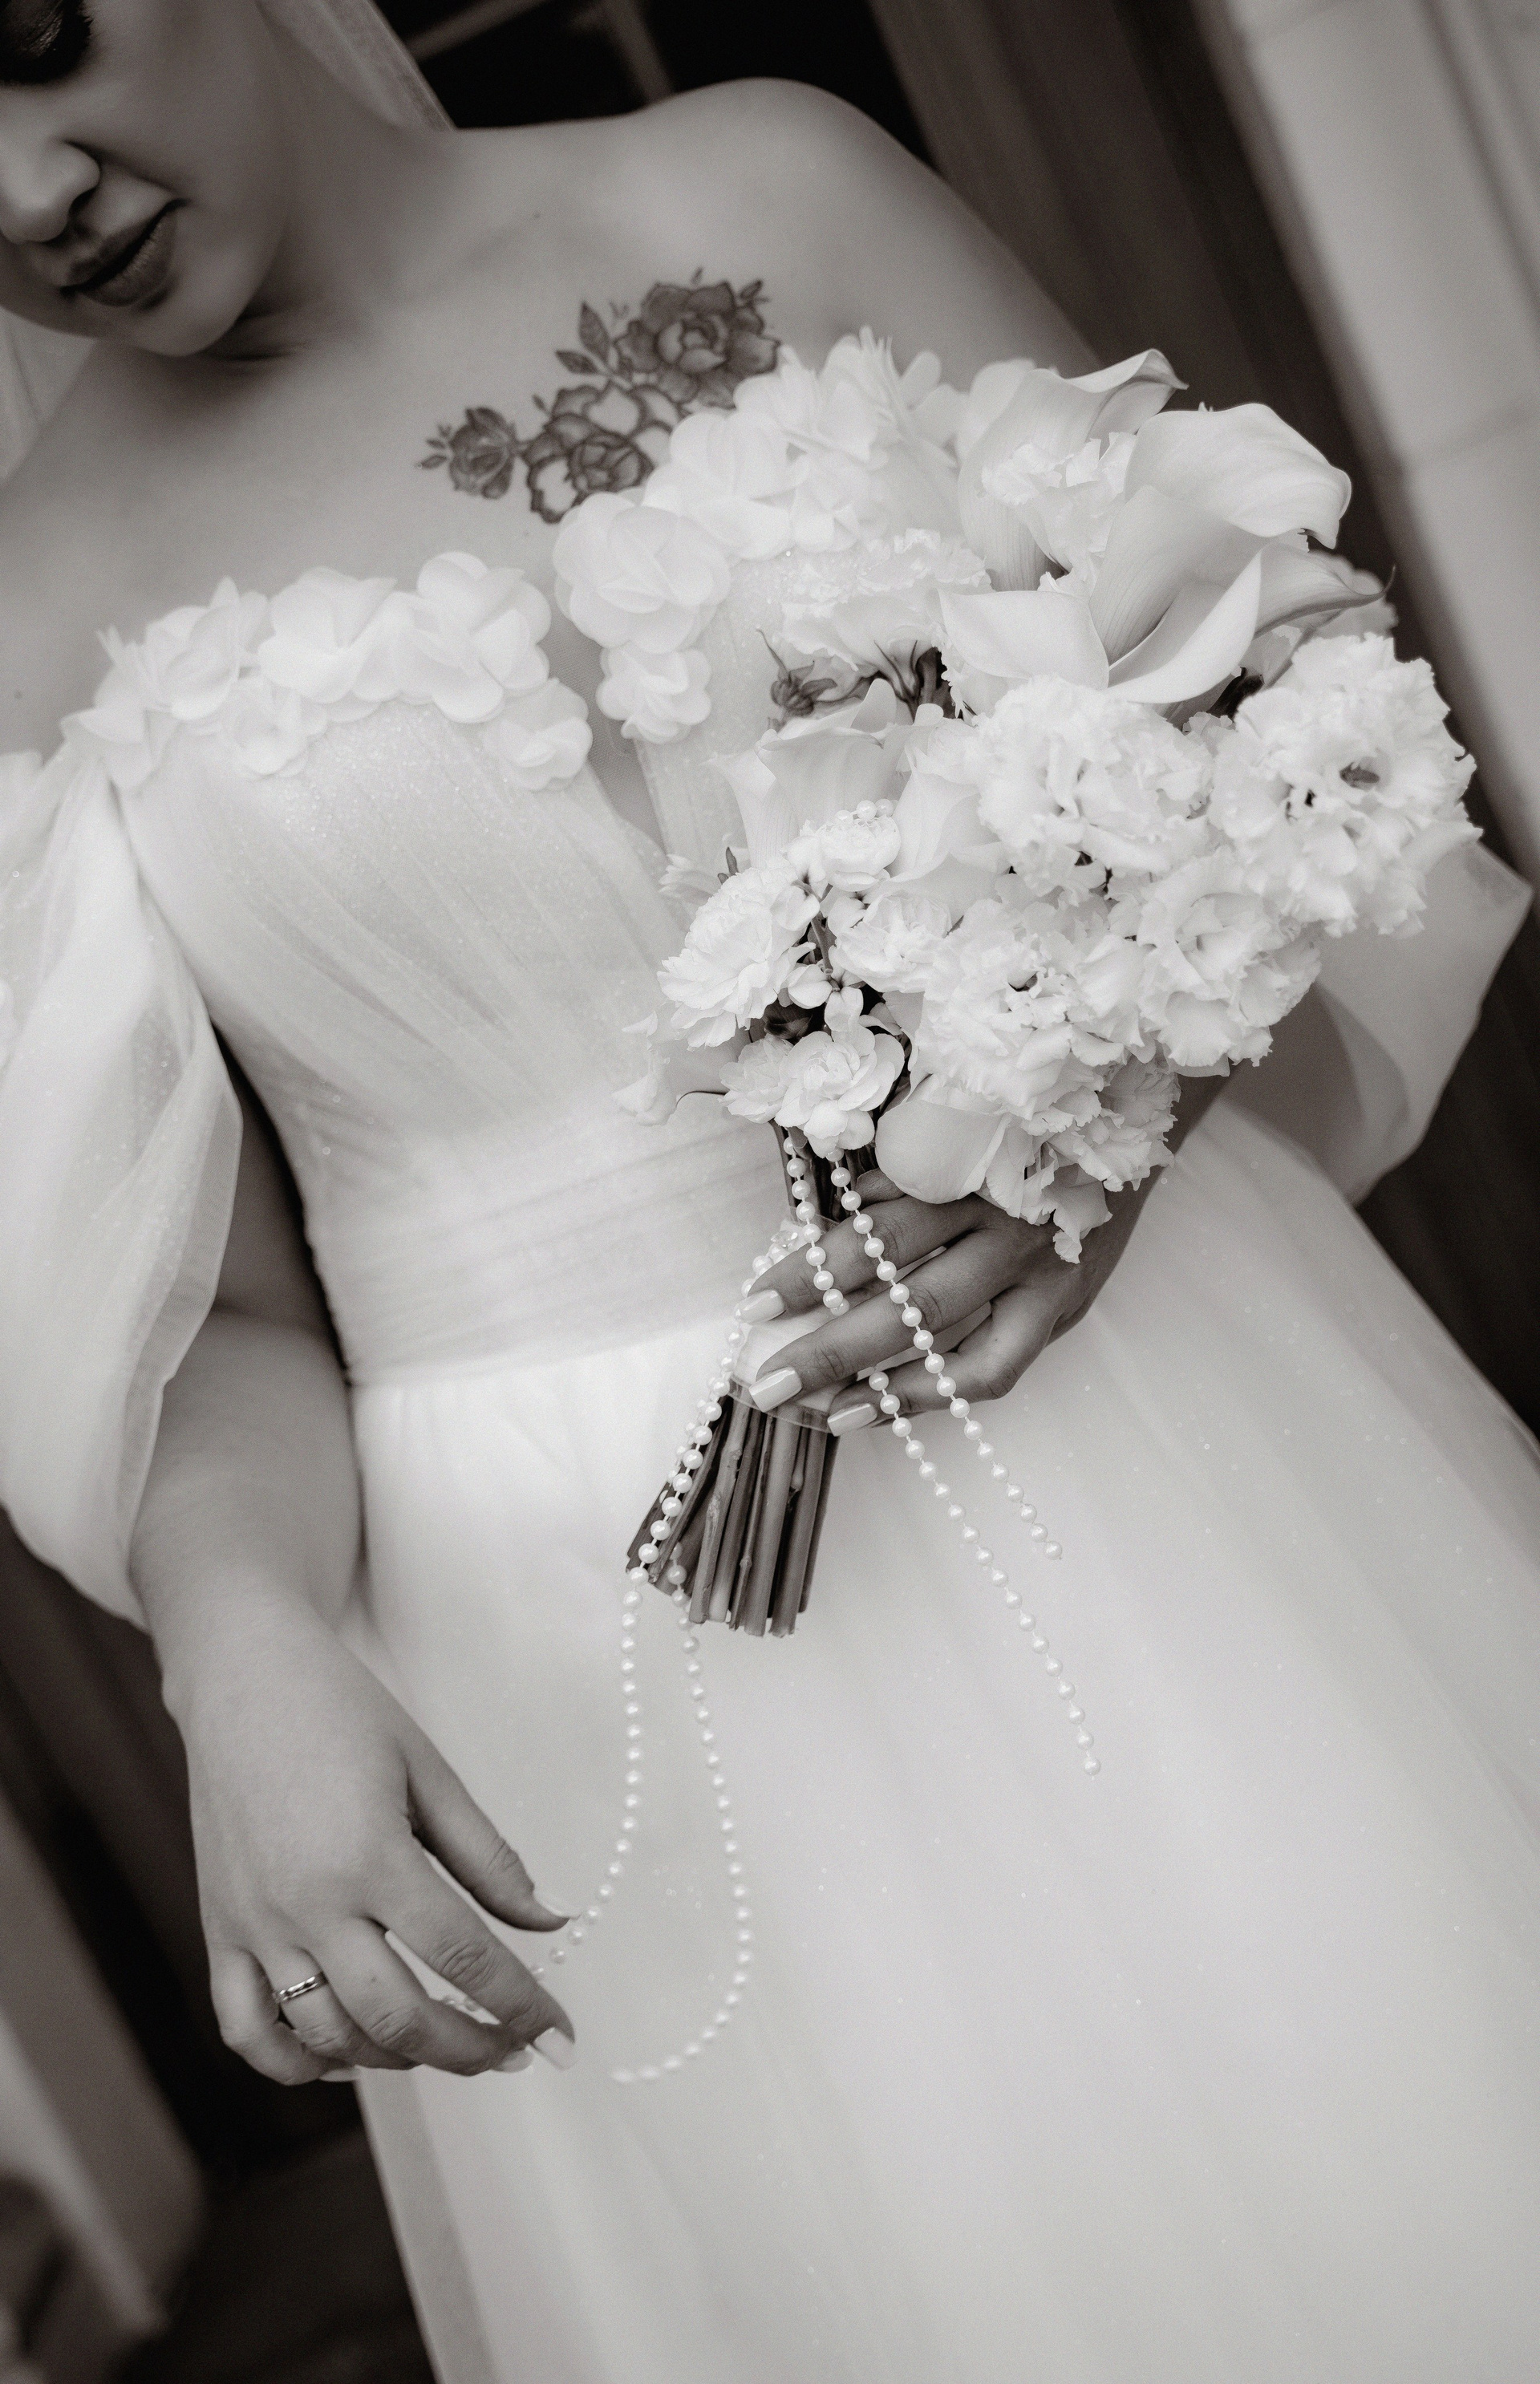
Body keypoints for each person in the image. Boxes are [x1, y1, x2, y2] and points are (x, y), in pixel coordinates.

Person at [2, 5, 1538, 2378]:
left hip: (1147, 1418)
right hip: (579, 1612)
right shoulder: (30, 600)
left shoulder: (766, 196)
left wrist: (1107, 1090)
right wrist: (248, 1656)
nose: (26, 192)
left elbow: (1252, 697)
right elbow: (212, 1302)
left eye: (35, 43)